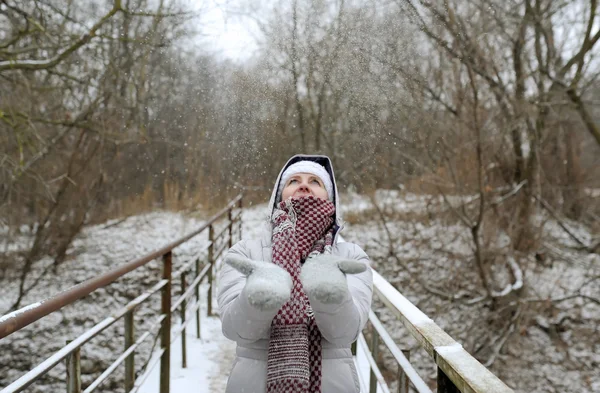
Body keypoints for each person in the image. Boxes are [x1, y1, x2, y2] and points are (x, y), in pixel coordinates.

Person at [217, 154, 373, 393]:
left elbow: (345, 333)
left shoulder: (350, 256)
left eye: (315, 181)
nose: (303, 185)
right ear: (279, 196)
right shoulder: (245, 252)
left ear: (330, 196)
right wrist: (256, 299)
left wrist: (330, 294)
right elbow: (235, 329)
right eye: (293, 181)